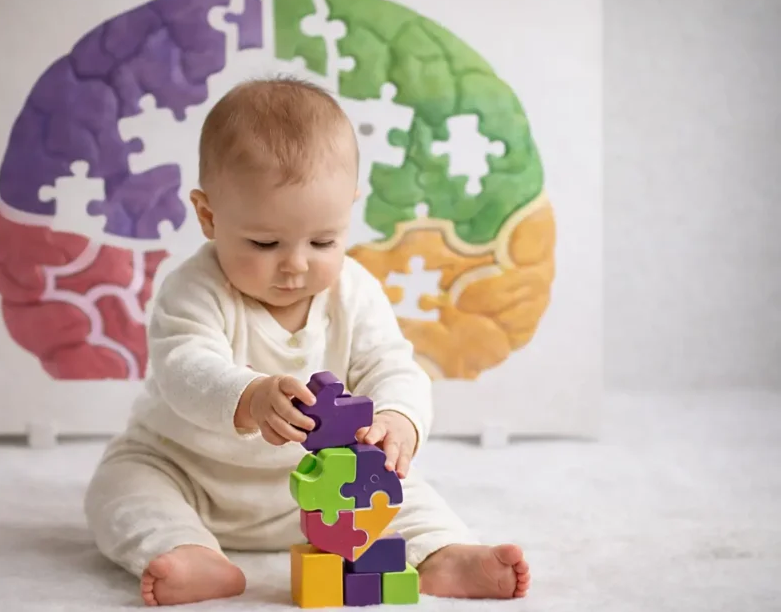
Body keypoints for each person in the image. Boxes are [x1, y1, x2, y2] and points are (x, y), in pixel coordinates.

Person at [84, 76, 530, 606]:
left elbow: (394, 366)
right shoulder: (193, 290)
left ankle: (445, 555)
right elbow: (185, 367)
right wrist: (249, 397)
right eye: (264, 242)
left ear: (349, 210)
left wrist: (397, 420)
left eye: (324, 240)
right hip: (189, 472)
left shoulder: (356, 292)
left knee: (405, 493)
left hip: (327, 491)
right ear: (208, 215)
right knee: (122, 486)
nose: (296, 264)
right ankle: (190, 551)